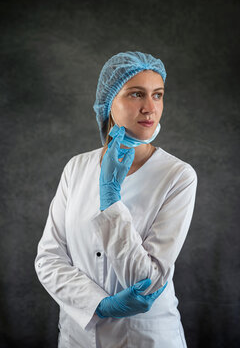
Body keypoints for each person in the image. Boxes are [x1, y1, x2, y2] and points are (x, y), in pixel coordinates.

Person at [34, 51, 198, 348]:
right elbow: (48, 259)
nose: (150, 108)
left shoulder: (178, 176)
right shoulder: (76, 168)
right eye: (137, 94)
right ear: (109, 102)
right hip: (78, 337)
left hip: (146, 339)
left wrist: (110, 200)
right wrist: (99, 304)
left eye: (158, 95)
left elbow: (146, 280)